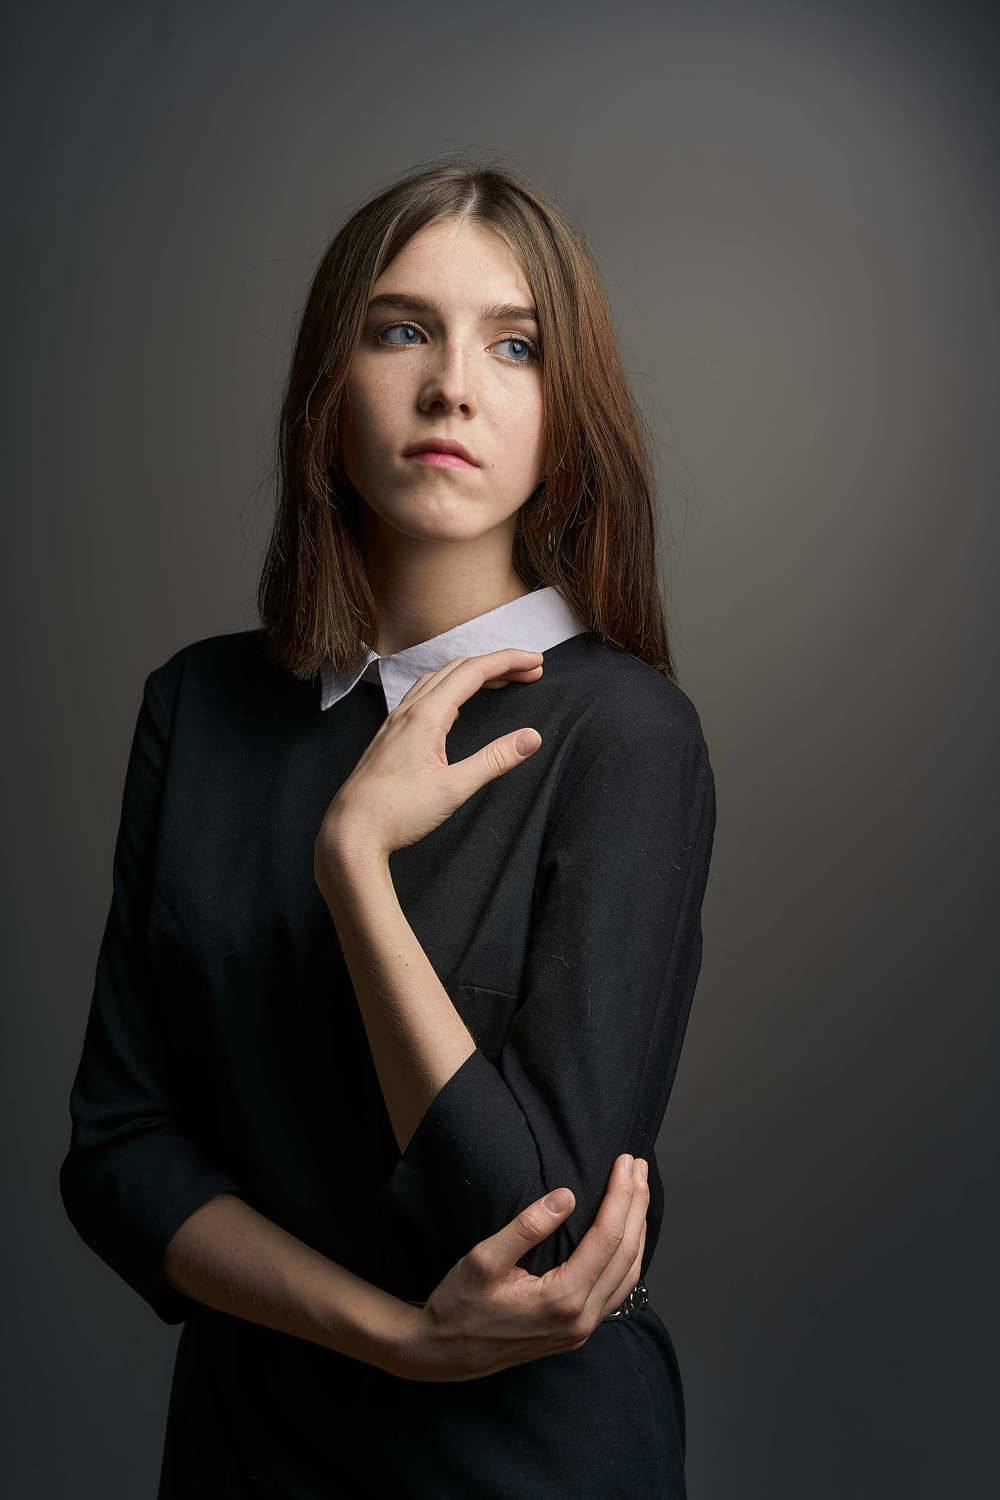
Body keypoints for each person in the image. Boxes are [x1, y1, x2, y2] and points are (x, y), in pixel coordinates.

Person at [59, 158, 717, 1497]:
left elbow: (536, 1234)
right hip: (250, 1452)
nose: (452, 387)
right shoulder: (201, 707)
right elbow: (120, 1157)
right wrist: (394, 1338)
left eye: (516, 346)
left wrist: (356, 869)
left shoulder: (626, 733)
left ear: (569, 411)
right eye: (402, 329)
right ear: (329, 383)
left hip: (524, 1462)